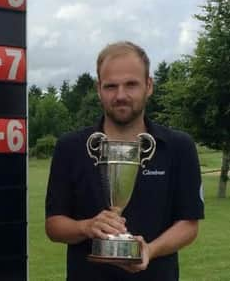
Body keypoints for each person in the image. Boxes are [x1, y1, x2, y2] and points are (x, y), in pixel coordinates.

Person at [45, 41, 204, 280]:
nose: (120, 95)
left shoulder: (179, 146)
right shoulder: (71, 147)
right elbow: (54, 225)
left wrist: (150, 250)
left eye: (131, 84)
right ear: (99, 89)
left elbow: (189, 224)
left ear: (148, 85)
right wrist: (86, 227)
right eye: (111, 86)